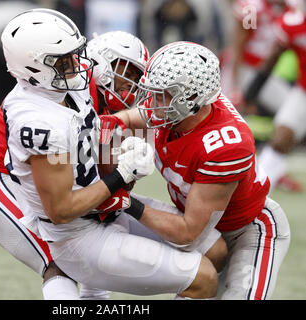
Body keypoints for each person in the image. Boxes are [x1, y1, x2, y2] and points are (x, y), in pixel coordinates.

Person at [0, 8, 220, 299]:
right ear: (34, 66)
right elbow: (62, 210)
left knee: (216, 250)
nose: (76, 64)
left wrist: (119, 153)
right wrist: (121, 174)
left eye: (74, 54)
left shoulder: (67, 87)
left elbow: (95, 141)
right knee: (203, 278)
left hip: (103, 210)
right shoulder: (40, 123)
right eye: (64, 60)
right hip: (78, 235)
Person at [107, 41, 290, 299]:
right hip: (204, 228)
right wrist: (116, 121)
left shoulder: (225, 145)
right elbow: (135, 116)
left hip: (246, 230)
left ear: (191, 98)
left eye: (163, 93)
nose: (152, 101)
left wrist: (124, 201)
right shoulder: (179, 112)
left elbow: (187, 231)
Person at [244, 0, 306, 193]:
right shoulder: (293, 23)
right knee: (281, 139)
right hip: (303, 91)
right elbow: (272, 59)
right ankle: (255, 197)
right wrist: (252, 92)